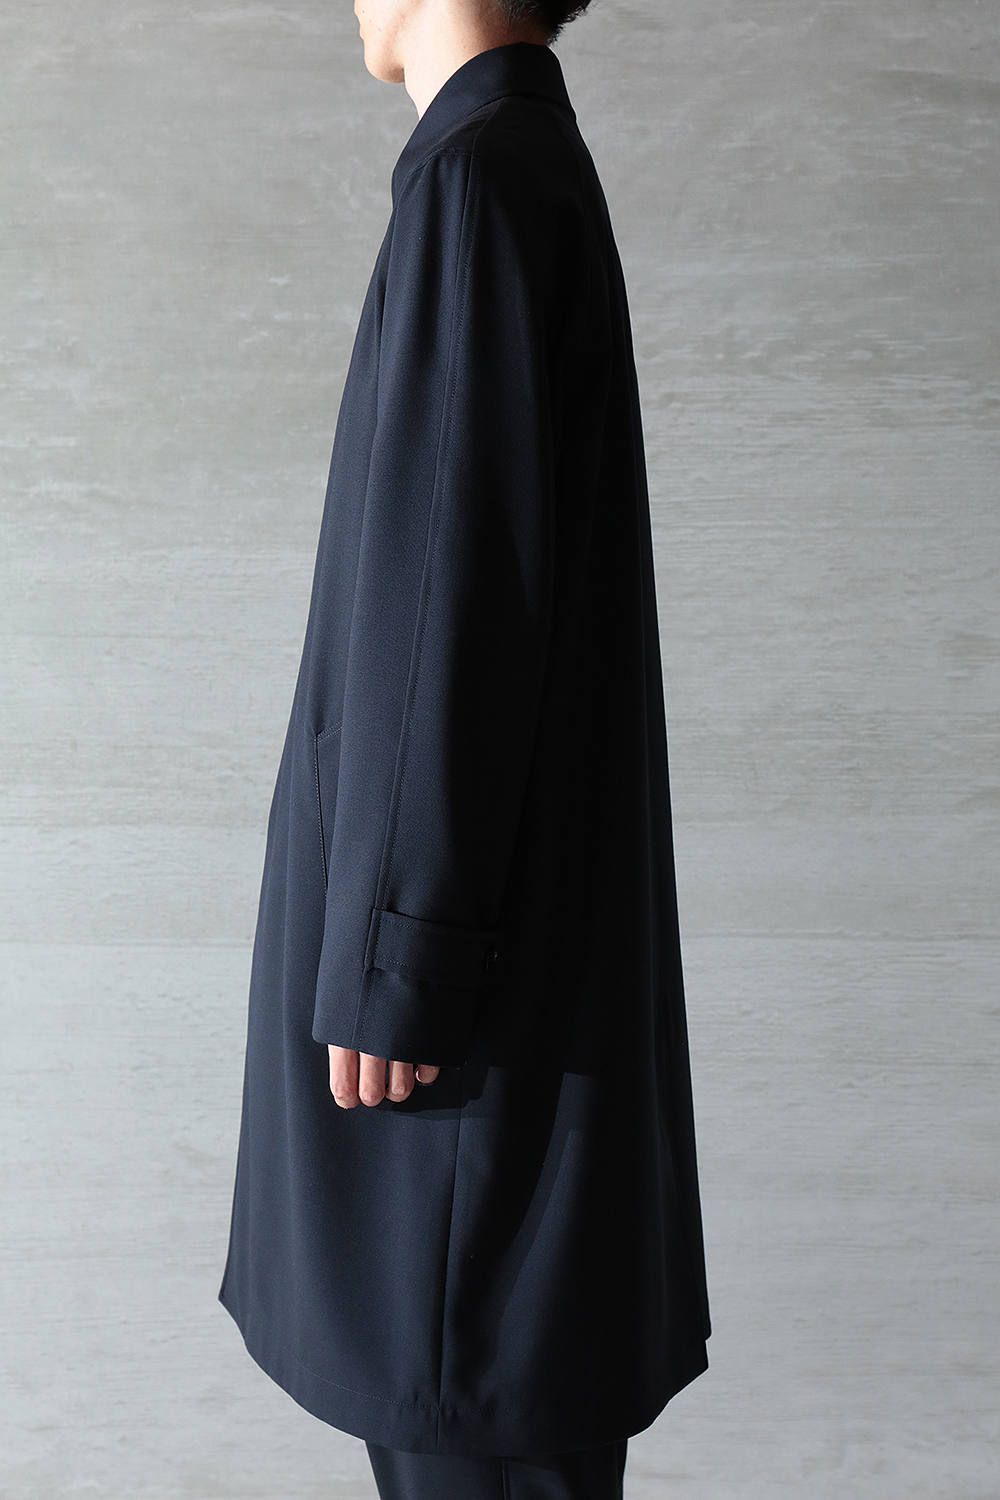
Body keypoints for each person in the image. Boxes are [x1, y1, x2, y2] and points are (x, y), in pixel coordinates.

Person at [218, 3, 712, 1496]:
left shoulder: (481, 180)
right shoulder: (510, 164)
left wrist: (402, 959)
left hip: (461, 1045)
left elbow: (451, 589)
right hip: (493, 1007)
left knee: (474, 1426)